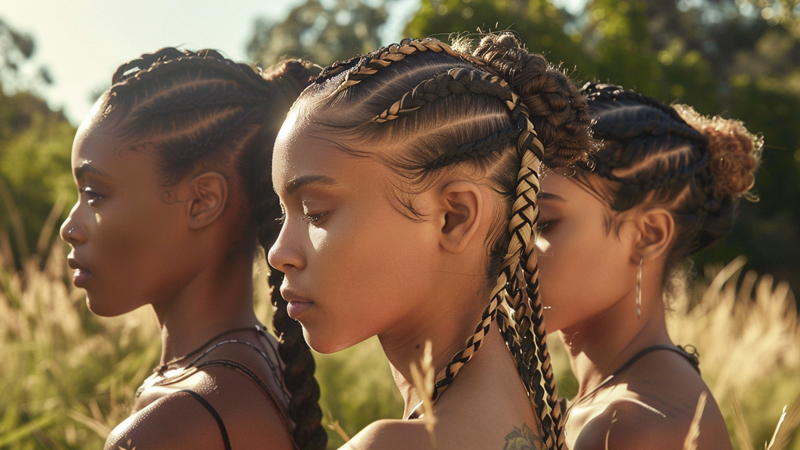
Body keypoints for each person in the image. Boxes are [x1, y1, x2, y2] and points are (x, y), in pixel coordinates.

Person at [267, 34, 594, 450]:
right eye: (283, 213)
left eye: (315, 213)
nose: (280, 254)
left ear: (453, 218)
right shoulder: (539, 417)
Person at [59, 48, 327, 450]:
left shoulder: (172, 429)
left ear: (203, 201)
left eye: (94, 194)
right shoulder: (268, 364)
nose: (70, 228)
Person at [536, 83, 762, 449]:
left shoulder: (638, 428)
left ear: (648, 234)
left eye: (542, 223)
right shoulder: (609, 404)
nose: (511, 247)